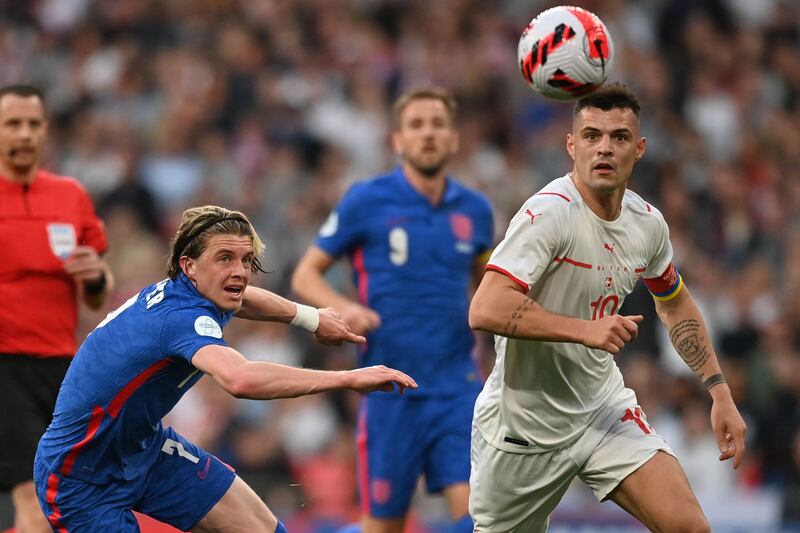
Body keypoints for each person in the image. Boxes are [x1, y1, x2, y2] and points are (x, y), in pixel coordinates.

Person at [33, 205, 418, 533]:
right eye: (224, 258)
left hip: (145, 452)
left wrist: (310, 317)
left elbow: (244, 298)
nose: (240, 271)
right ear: (189, 265)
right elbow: (240, 378)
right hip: (80, 478)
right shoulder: (180, 319)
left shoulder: (191, 289)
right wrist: (348, 378)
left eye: (247, 260)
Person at [468, 83, 747, 532]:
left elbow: (674, 304)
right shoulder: (548, 214)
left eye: (618, 137)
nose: (604, 147)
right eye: (592, 135)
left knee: (690, 527)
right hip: (523, 426)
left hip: (601, 408)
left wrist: (719, 392)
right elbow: (485, 308)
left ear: (638, 149)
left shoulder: (647, 224)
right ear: (571, 145)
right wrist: (584, 330)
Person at [291, 87, 494, 533]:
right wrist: (345, 308)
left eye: (437, 125)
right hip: (387, 390)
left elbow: (490, 294)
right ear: (397, 140)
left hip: (456, 388)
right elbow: (306, 274)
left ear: (454, 138)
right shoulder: (367, 200)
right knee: (384, 527)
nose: (428, 134)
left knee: (481, 521)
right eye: (416, 125)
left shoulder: (476, 211)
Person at [0, 84, 114, 533]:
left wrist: (96, 276)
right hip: (4, 365)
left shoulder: (70, 196)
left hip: (63, 368)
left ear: (46, 131)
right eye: (13, 124)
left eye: (33, 124)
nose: (24, 134)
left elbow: (95, 297)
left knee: (64, 494)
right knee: (32, 492)